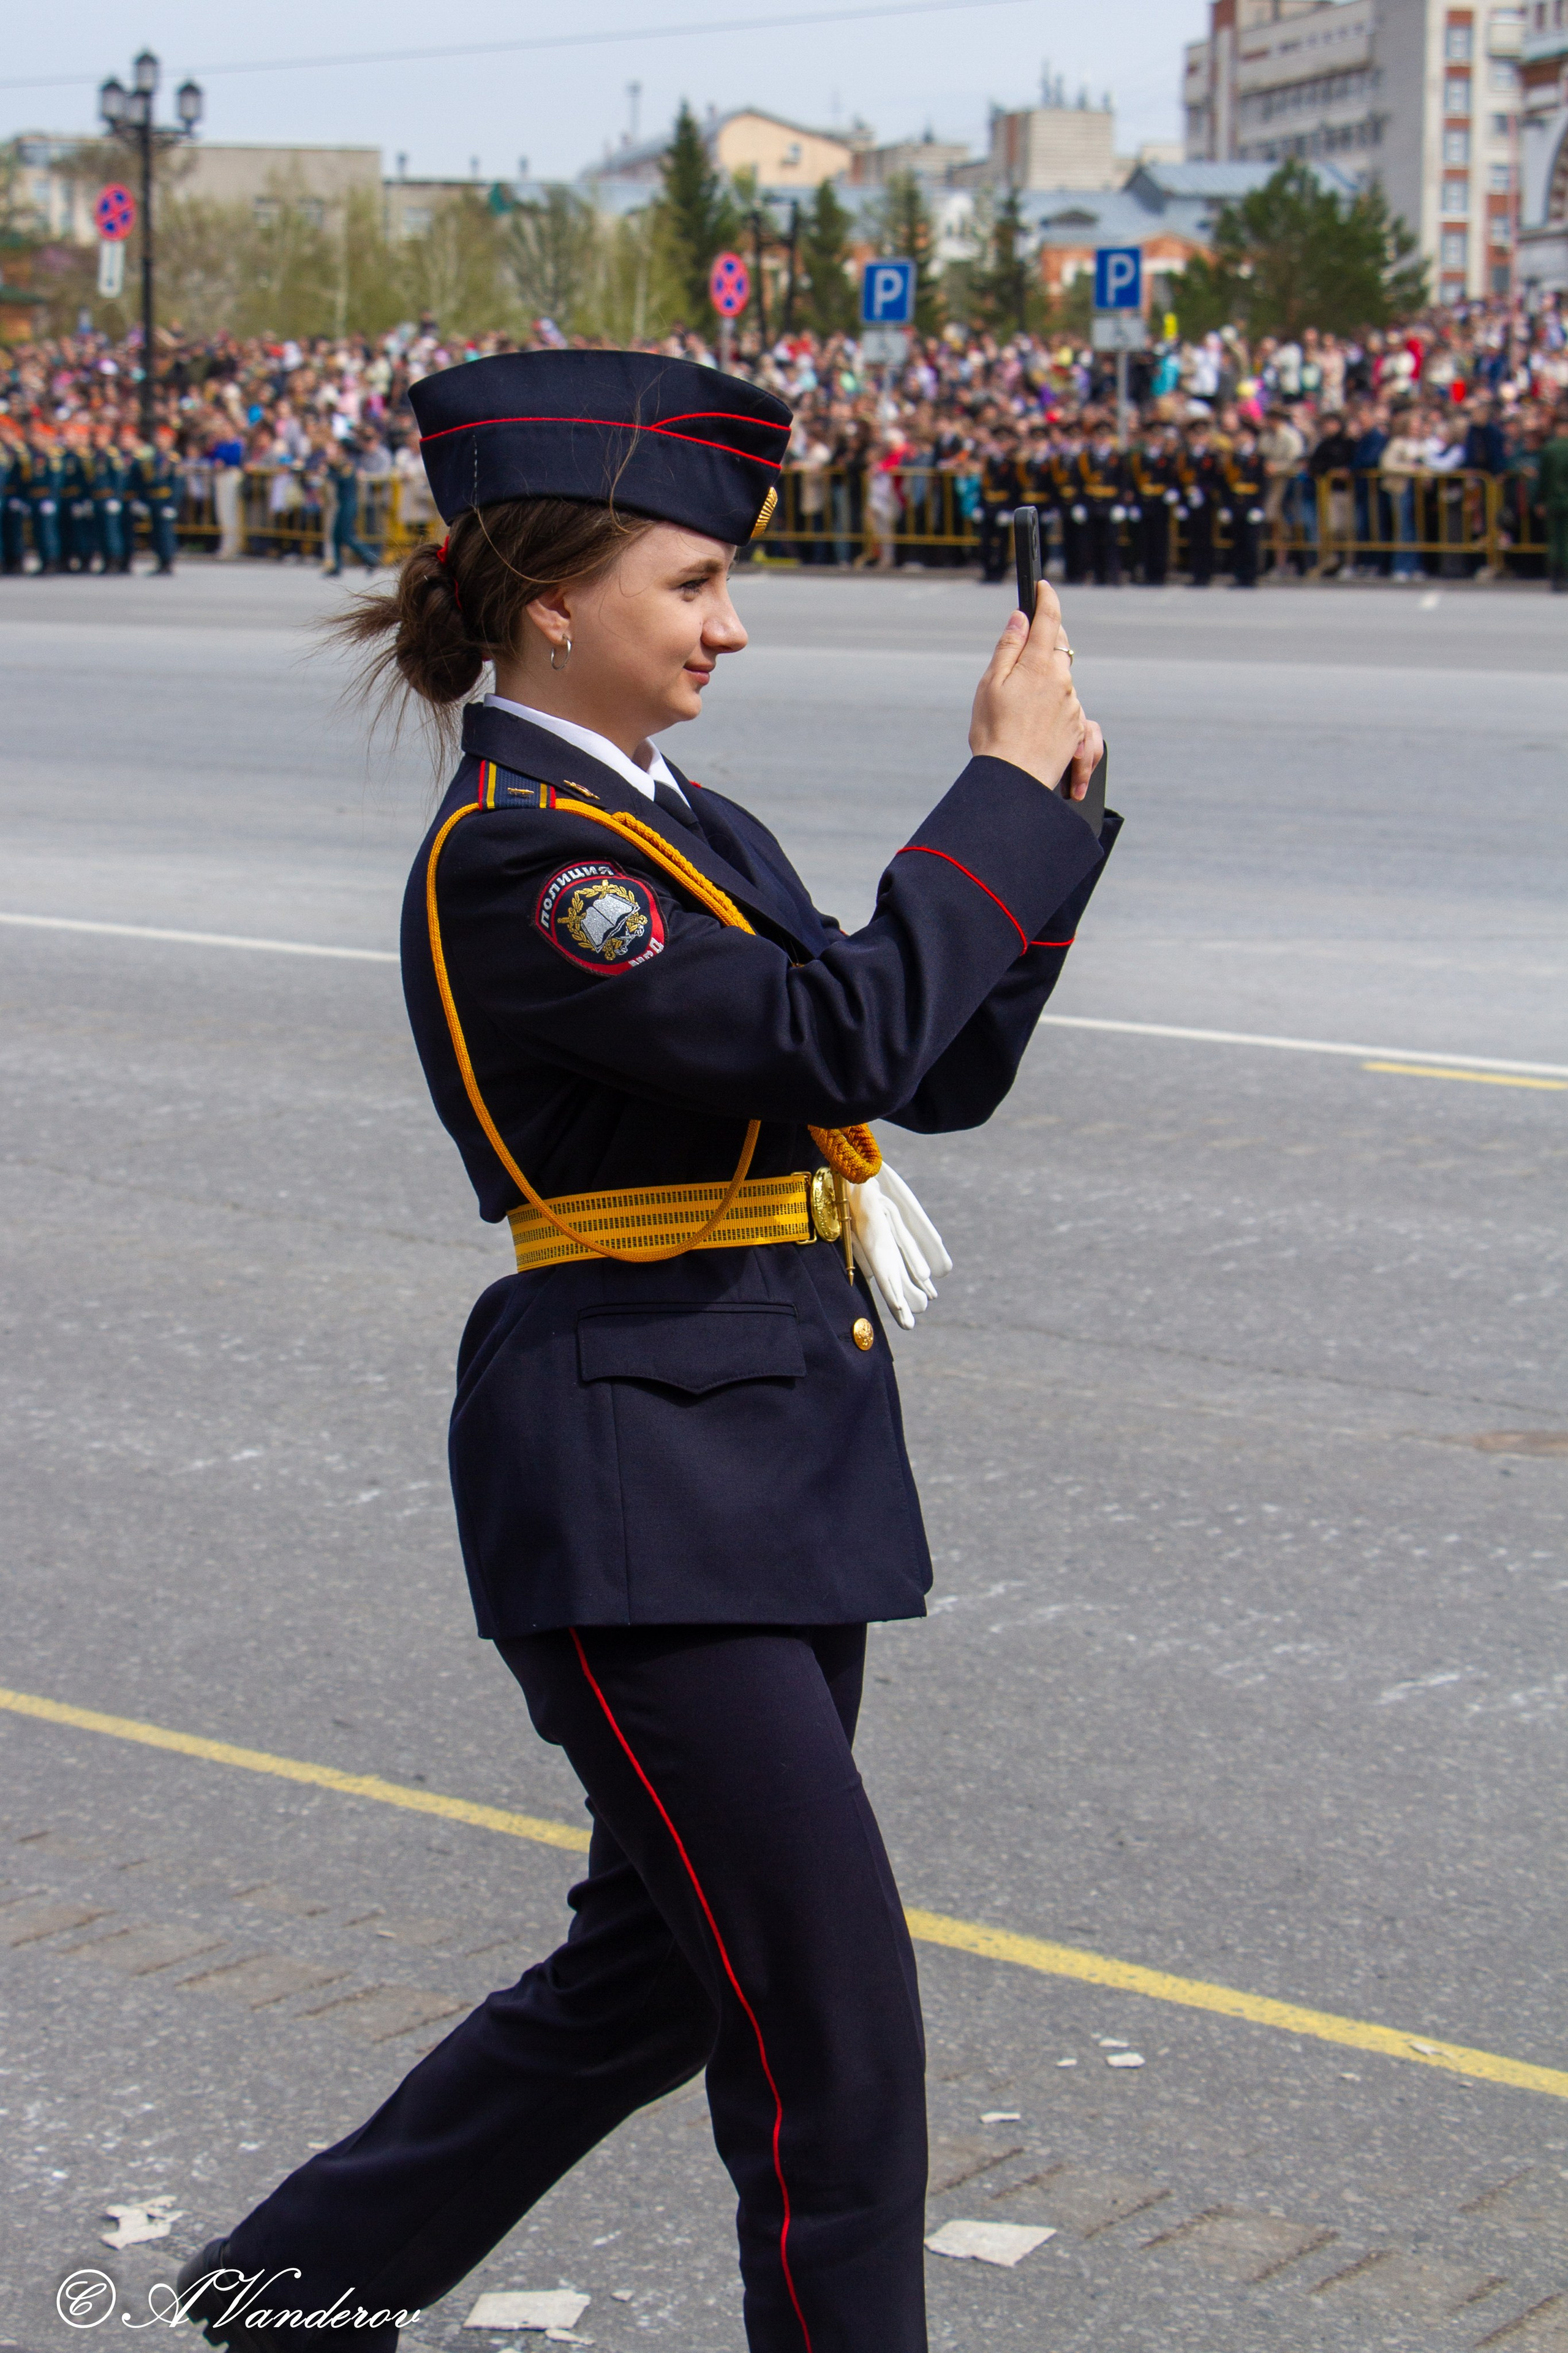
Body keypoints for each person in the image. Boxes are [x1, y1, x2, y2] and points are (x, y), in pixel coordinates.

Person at [171, 347, 1117, 2353]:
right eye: (692, 581)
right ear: (552, 599)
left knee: (658, 1981)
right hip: (639, 1486)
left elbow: (918, 1069)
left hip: (759, 1455)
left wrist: (1048, 838)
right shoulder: (527, 857)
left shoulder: (689, 820)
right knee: (833, 2040)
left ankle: (271, 2296)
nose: (732, 621)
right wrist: (995, 807)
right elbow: (832, 1038)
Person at [1540, 406, 1568, 592]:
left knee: (1555, 539)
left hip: (1554, 501)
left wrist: (1541, 501)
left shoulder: (1549, 449)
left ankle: (1556, 577)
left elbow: (1545, 479)